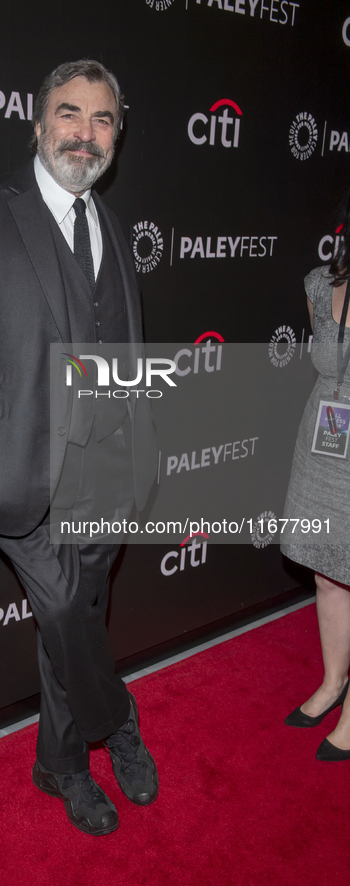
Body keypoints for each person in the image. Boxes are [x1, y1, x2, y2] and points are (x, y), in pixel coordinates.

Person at [0, 60, 159, 833]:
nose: (85, 132)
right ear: (38, 124)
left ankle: (61, 765)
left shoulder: (108, 222)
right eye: (70, 114)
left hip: (105, 465)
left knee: (68, 621)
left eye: (103, 119)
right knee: (66, 612)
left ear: (116, 133)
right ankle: (116, 719)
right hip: (14, 465)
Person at [281, 197, 350, 761]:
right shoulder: (317, 284)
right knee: (329, 575)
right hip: (323, 444)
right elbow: (325, 367)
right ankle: (333, 682)